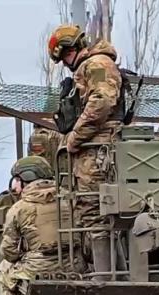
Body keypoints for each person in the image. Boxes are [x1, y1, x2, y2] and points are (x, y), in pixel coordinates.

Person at [47, 24, 123, 278]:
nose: (64, 63)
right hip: (94, 150)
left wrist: (74, 138)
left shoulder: (97, 64)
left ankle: (107, 281)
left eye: (64, 56)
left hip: (98, 151)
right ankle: (114, 278)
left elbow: (101, 101)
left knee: (97, 214)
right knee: (96, 216)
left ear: (72, 49)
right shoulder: (90, 66)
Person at [0, 155, 83, 295]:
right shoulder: (71, 199)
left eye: (17, 180)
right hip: (74, 266)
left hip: (37, 269)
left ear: (26, 179)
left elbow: (8, 252)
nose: (15, 186)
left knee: (3, 271)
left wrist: (25, 254)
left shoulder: (19, 208)